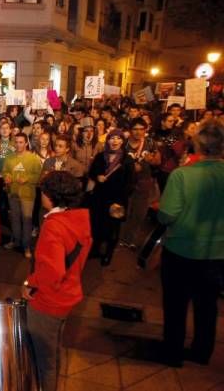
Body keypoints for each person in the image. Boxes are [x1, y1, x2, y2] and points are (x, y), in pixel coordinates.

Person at [157, 120, 224, 367]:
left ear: (197, 144)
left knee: (176, 305)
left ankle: (173, 351)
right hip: (217, 253)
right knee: (207, 306)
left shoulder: (182, 175)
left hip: (181, 250)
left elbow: (166, 215)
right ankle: (202, 351)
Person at [22, 171, 92, 391]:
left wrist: (29, 284)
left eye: (43, 191)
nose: (41, 195)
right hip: (68, 294)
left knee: (45, 361)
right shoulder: (77, 219)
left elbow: (52, 272)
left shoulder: (54, 226)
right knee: (53, 352)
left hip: (48, 302)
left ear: (51, 196)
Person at [87, 129, 134, 266]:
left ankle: (108, 253)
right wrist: (97, 176)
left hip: (117, 199)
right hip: (100, 197)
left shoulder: (127, 160)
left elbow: (130, 182)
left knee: (113, 227)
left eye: (118, 138)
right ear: (107, 140)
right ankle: (95, 249)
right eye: (111, 138)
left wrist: (120, 201)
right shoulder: (100, 156)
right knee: (97, 224)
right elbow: (91, 173)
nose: (114, 141)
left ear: (122, 141)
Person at [119, 119, 160, 249]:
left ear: (145, 130)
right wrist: (130, 166)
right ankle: (121, 238)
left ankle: (132, 240)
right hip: (126, 183)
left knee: (139, 213)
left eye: (141, 129)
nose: (138, 132)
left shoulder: (150, 143)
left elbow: (158, 161)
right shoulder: (123, 144)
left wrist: (151, 160)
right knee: (125, 211)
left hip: (144, 183)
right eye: (135, 129)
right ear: (130, 130)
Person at [2, 133, 42, 257]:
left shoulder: (33, 158)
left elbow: (39, 175)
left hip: (27, 195)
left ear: (26, 143)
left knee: (27, 220)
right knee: (14, 219)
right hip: (13, 193)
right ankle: (15, 241)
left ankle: (27, 246)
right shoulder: (9, 158)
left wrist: (28, 179)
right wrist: (7, 178)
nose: (18, 145)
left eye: (21, 142)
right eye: (16, 142)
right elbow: (5, 172)